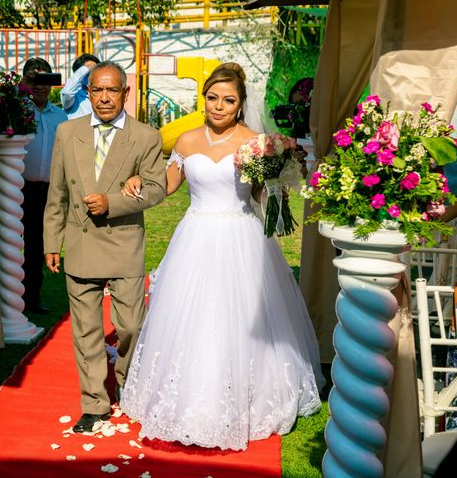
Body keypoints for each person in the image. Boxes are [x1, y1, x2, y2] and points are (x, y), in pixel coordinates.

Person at [120, 63, 324, 451]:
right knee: (191, 317)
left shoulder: (256, 141)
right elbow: (164, 187)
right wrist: (136, 181)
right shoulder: (184, 142)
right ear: (204, 100)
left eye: (228, 100)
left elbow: (265, 198)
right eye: (212, 98)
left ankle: (248, 400)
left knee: (241, 317)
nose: (218, 106)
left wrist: (278, 174)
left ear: (240, 104)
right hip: (195, 235)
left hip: (240, 236)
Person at [43, 61, 166, 433]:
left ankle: (127, 379)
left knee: (129, 326)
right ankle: (95, 403)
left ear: (126, 94)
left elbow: (157, 188)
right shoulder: (68, 132)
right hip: (81, 244)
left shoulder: (146, 136)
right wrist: (52, 241)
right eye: (97, 90)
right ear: (88, 93)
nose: (105, 97)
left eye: (113, 90)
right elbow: (58, 192)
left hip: (124, 243)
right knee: (86, 331)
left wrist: (114, 202)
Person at [0, 57, 67, 315]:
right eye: (34, 79)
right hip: (17, 185)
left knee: (37, 244)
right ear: (25, 81)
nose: (40, 86)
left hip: (46, 189)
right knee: (7, 239)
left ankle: (32, 298)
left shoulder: (60, 116)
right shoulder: (15, 108)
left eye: (45, 80)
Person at [60, 53, 99, 119]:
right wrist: (86, 68)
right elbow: (67, 92)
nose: (92, 75)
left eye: (96, 70)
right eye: (88, 72)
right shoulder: (75, 96)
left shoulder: (104, 94)